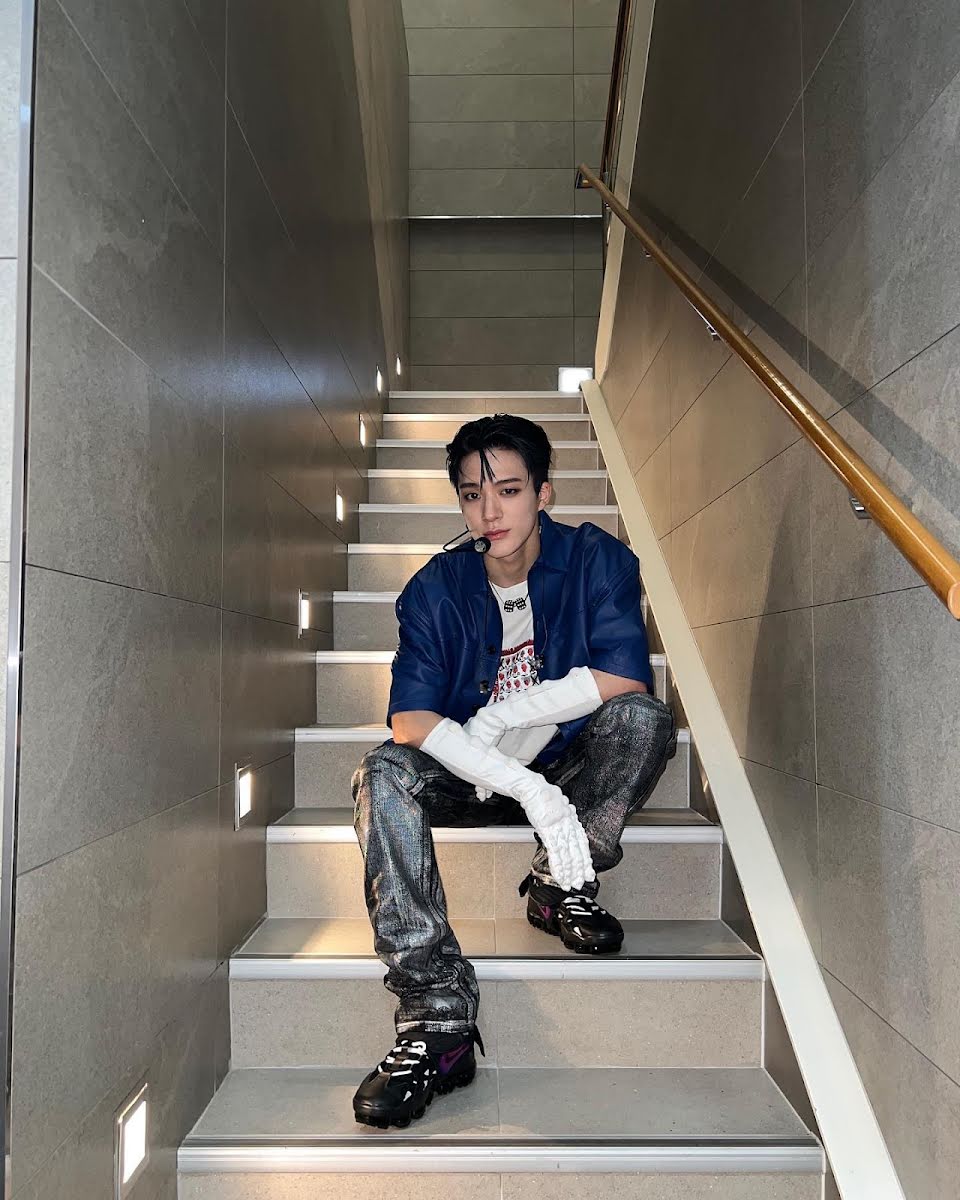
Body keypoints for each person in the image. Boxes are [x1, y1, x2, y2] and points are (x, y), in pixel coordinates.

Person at [350, 413, 677, 1129]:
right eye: (472, 495)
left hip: (566, 765)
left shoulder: (597, 561)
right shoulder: (435, 588)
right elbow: (410, 721)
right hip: (469, 774)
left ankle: (559, 883)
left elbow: (627, 677)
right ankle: (436, 1012)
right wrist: (518, 781)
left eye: (508, 490)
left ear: (543, 493)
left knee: (643, 722)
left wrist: (511, 721)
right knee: (383, 773)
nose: (489, 512)